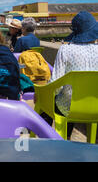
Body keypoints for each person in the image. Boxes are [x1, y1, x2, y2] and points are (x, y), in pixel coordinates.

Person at [42, 11, 98, 139]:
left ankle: (60, 139)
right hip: (95, 105)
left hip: (69, 107)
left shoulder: (66, 49)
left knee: (61, 97)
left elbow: (56, 81)